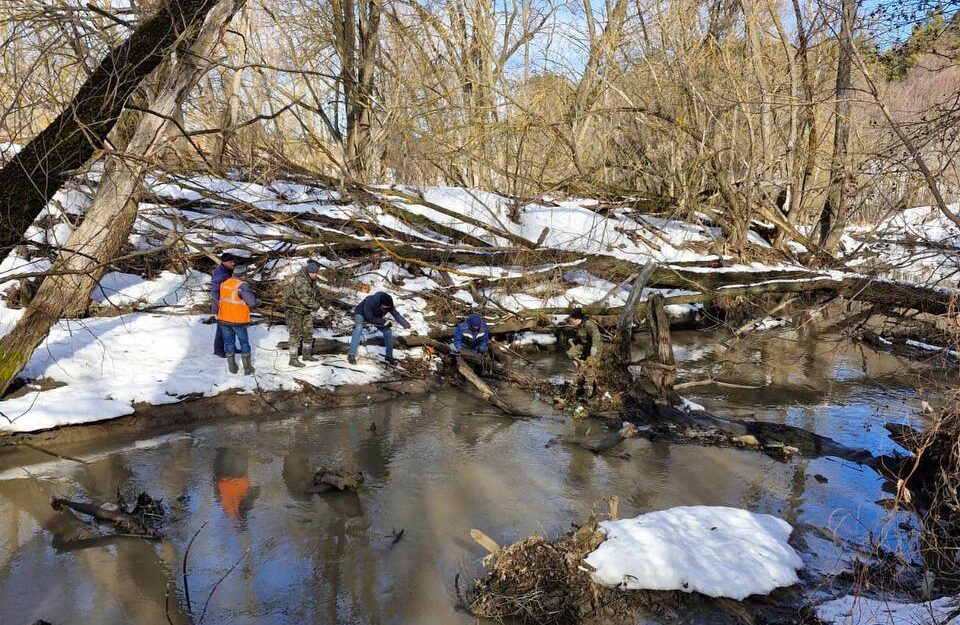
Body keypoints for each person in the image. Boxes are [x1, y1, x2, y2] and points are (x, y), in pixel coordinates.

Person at [217, 263, 259, 375]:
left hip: (224, 319)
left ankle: (232, 368)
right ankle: (247, 368)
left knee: (228, 343)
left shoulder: (224, 284)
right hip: (238, 320)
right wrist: (258, 301)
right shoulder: (242, 286)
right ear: (243, 275)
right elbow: (251, 302)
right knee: (244, 343)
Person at [348, 291, 411, 365]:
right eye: (385, 307)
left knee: (388, 331)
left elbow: (396, 315)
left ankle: (389, 356)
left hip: (375, 316)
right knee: (359, 327)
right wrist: (384, 322)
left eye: (388, 307)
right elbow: (369, 317)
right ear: (380, 303)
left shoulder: (389, 304)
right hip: (361, 313)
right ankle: (351, 354)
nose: (387, 308)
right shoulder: (371, 302)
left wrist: (407, 326)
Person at [284, 259, 325, 368]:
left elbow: (317, 294)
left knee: (308, 331)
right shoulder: (300, 280)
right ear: (309, 272)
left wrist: (325, 305)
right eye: (315, 273)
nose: (316, 275)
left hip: (305, 310)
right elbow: (305, 298)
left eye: (317, 273)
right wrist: (318, 308)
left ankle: (307, 355)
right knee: (295, 334)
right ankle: (293, 359)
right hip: (294, 310)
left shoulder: (311, 279)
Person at [566, 308, 603, 396]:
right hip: (585, 346)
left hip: (595, 347)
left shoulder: (589, 324)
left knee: (590, 366)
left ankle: (589, 390)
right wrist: (574, 340)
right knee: (571, 353)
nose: (571, 323)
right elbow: (582, 337)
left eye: (572, 321)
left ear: (578, 319)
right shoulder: (579, 326)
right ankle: (580, 368)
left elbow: (596, 336)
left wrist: (594, 348)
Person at [211, 252, 237, 357]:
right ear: (225, 262)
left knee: (232, 326)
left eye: (233, 261)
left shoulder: (227, 271)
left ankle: (231, 348)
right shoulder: (220, 273)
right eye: (231, 262)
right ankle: (218, 350)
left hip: (229, 304)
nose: (233, 263)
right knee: (221, 328)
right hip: (221, 305)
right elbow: (215, 291)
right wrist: (217, 305)